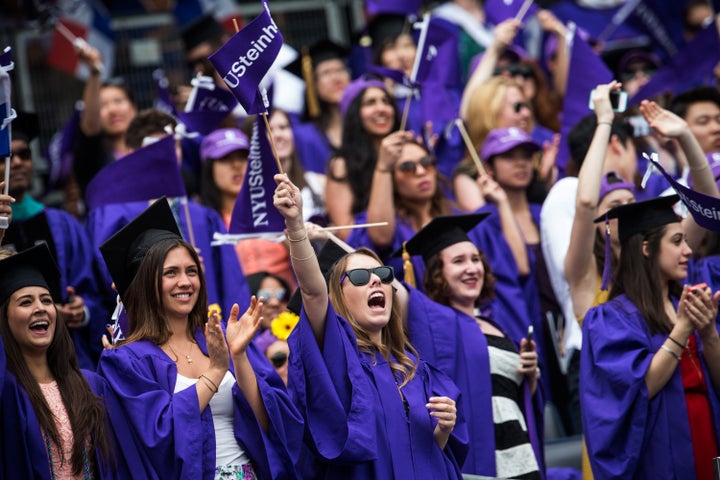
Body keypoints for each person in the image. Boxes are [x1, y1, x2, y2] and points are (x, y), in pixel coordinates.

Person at [273, 174, 468, 478]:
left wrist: (444, 428)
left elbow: (430, 454)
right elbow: (313, 291)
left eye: (382, 273)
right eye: (361, 278)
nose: (376, 279)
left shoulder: (414, 369)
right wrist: (296, 226)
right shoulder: (338, 360)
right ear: (337, 297)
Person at [96, 199, 303, 479]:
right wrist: (216, 371)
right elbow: (158, 437)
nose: (186, 281)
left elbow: (271, 423)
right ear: (146, 282)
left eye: (191, 271)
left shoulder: (218, 340)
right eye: (171, 273)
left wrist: (238, 357)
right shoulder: (127, 360)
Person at [581, 195, 720, 479]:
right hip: (659, 453)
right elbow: (640, 387)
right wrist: (681, 329)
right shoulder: (611, 319)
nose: (688, 250)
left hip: (707, 435)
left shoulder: (686, 303)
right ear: (646, 248)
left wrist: (709, 333)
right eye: (677, 241)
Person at [397, 214, 545, 478]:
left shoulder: (496, 324)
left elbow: (510, 395)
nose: (472, 268)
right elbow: (387, 285)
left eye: (475, 259)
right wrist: (319, 239)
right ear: (437, 273)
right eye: (458, 261)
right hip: (484, 464)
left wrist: (530, 375)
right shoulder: (435, 324)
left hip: (521, 456)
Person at [0, 243, 133, 478]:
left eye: (47, 300)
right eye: (25, 302)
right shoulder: (7, 393)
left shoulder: (90, 385)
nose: (40, 308)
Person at [2, 111, 107, 369]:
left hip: (68, 359)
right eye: (6, 156)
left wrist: (83, 312)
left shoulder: (62, 224)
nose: (17, 163)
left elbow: (92, 291)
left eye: (24, 155)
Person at [200, 125, 296, 288]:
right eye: (225, 158)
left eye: (244, 157)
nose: (237, 165)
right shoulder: (203, 221)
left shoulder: (279, 208)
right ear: (209, 169)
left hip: (287, 308)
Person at [325, 76, 399, 239]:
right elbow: (346, 231)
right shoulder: (342, 165)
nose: (381, 108)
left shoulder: (407, 152)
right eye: (370, 103)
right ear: (354, 113)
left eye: (386, 101)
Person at [287, 39, 351, 175]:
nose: (336, 78)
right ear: (312, 84)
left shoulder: (365, 124)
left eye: (340, 70)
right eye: (326, 73)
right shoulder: (303, 137)